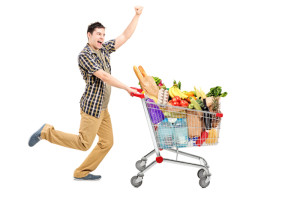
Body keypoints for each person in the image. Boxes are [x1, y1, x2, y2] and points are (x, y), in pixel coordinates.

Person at [28, 6, 143, 180]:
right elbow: (104, 76)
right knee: (84, 143)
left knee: (107, 142)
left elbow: (125, 36)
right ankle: (45, 132)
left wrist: (137, 15)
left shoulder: (103, 49)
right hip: (92, 108)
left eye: (103, 34)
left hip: (103, 109)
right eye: (98, 34)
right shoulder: (84, 55)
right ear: (89, 35)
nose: (102, 38)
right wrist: (127, 87)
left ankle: (81, 172)